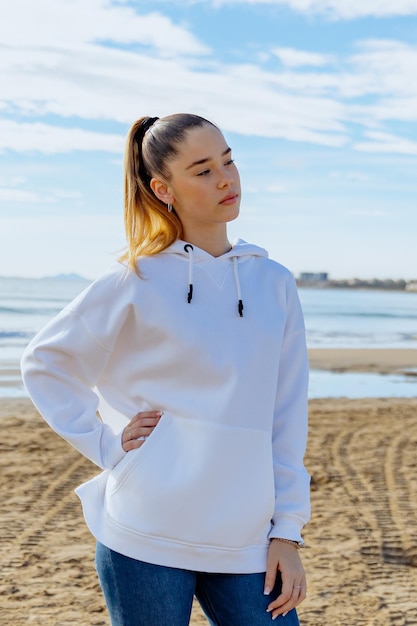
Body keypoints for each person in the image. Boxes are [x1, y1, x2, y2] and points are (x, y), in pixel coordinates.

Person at [21, 113, 310, 625]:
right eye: (202, 170)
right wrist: (110, 447)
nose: (226, 179)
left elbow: (286, 416)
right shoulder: (136, 278)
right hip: (145, 531)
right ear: (163, 188)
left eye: (228, 160)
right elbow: (46, 363)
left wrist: (286, 531)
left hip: (245, 539)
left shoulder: (274, 283)